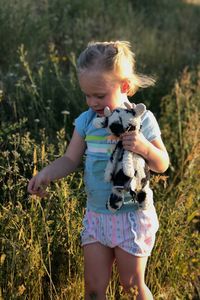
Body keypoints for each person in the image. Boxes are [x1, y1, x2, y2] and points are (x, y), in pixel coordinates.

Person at [28, 41, 169, 300]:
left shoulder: (142, 120)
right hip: (96, 217)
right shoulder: (87, 121)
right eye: (87, 95)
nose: (92, 101)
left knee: (131, 287)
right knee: (93, 289)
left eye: (99, 95)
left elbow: (162, 163)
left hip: (131, 217)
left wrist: (145, 148)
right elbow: (70, 159)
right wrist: (45, 173)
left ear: (124, 86)